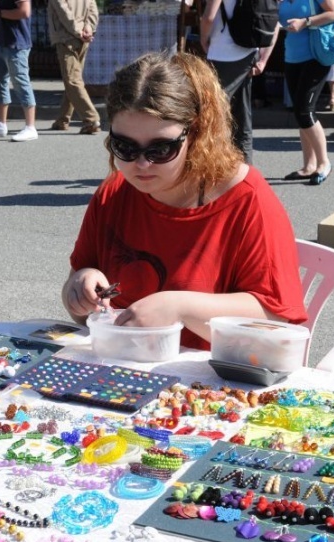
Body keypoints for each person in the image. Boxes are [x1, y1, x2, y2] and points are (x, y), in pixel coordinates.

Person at [61, 51, 308, 350]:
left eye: (160, 149)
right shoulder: (115, 191)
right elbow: (79, 306)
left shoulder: (247, 200)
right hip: (122, 367)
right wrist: (80, 286)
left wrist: (180, 307)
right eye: (123, 147)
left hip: (211, 383)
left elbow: (277, 322)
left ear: (197, 134)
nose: (141, 164)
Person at [200, 0, 278, 165]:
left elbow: (208, 17)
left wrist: (203, 39)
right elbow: (274, 19)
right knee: (242, 116)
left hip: (223, 53)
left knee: (212, 114)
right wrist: (264, 59)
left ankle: (214, 167)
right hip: (250, 50)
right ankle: (245, 170)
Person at [277, 0, 334, 185]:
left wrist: (305, 22)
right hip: (291, 57)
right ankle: (309, 166)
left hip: (316, 55)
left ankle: (324, 162)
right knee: (299, 111)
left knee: (305, 110)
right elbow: (275, 24)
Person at [0, 0, 38, 142]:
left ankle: (31, 127)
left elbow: (24, 11)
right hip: (2, 43)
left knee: (21, 84)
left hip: (17, 45)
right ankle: (0, 123)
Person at [46, 0, 100, 134]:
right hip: (82, 38)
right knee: (73, 81)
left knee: (72, 81)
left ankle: (91, 119)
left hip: (66, 37)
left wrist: (77, 31)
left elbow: (63, 11)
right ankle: (62, 120)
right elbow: (93, 8)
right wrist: (88, 27)